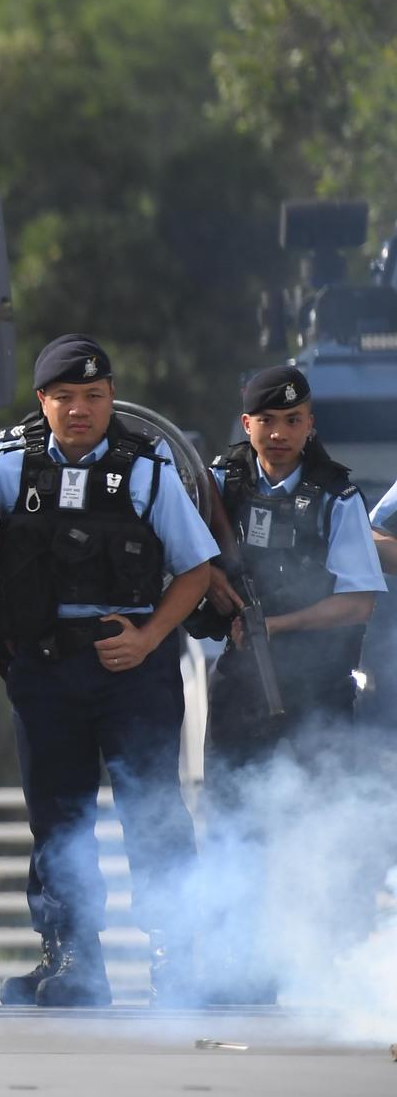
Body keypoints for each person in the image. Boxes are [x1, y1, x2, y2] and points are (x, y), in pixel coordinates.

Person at [0, 334, 216, 1006]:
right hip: (44, 665)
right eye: (67, 398)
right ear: (43, 400)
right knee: (57, 818)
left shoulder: (147, 466)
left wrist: (148, 639)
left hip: (131, 664)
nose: (81, 410)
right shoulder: (0, 463)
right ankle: (75, 962)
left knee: (154, 814)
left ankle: (174, 960)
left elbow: (197, 568)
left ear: (111, 398)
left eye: (95, 397)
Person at [196, 365, 384, 1004]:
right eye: (266, 421)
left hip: (318, 686)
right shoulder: (217, 485)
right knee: (232, 819)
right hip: (242, 681)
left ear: (309, 426)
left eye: (293, 421)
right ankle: (239, 968)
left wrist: (277, 623)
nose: (279, 434)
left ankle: (325, 969)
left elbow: (358, 601)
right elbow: (182, 557)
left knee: (321, 823)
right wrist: (213, 587)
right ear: (246, 424)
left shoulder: (337, 497)